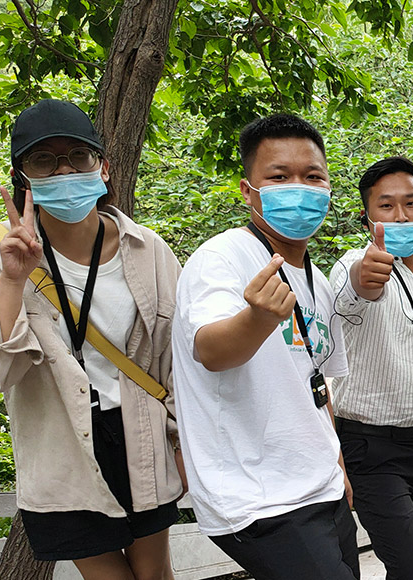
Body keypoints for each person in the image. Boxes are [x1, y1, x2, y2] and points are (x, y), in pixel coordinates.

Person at [0, 99, 183, 578]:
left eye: (78, 155)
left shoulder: (149, 250)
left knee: (156, 574)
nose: (64, 170)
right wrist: (12, 280)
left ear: (103, 166)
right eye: (44, 160)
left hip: (142, 436)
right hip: (59, 446)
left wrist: (182, 443)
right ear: (21, 177)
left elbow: (174, 360)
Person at [171, 114, 358, 579]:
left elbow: (316, 384)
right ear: (247, 190)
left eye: (312, 176)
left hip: (323, 488)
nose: (299, 188)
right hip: (259, 498)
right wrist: (257, 319)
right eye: (279, 176)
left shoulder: (315, 280)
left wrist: (337, 465)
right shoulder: (222, 258)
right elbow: (211, 351)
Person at [329, 156, 413, 579]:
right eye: (386, 206)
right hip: (372, 450)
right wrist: (362, 279)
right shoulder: (353, 265)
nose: (401, 215)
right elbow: (349, 295)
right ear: (367, 217)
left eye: (411, 203)